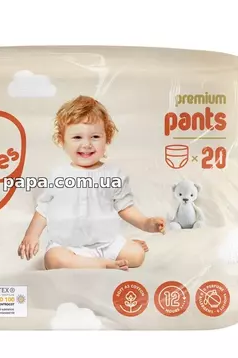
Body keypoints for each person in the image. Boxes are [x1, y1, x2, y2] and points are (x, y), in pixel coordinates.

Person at [18, 95, 165, 270]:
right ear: (62, 140)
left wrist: (147, 223)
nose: (86, 144)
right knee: (53, 259)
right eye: (77, 137)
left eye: (95, 136)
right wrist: (31, 236)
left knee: (137, 255)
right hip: (69, 246)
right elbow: (43, 209)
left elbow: (125, 207)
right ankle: (102, 264)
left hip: (106, 244)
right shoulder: (59, 175)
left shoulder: (113, 175)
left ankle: (110, 255)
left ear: (107, 138)